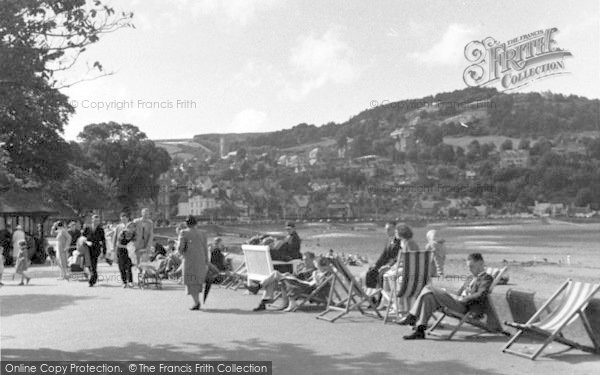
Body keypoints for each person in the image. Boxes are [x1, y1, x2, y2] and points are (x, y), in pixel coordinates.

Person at [398, 253, 494, 340]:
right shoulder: (470, 278)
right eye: (468, 267)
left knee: (428, 287)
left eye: (472, 267)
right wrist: (451, 294)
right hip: (456, 301)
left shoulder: (486, 278)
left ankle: (412, 316)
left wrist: (462, 299)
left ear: (481, 263)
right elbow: (460, 292)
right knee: (429, 297)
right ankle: (420, 331)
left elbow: (481, 294)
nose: (470, 269)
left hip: (465, 307)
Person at [248, 252, 317, 311]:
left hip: (298, 285)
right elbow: (295, 275)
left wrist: (292, 276)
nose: (304, 261)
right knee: (273, 280)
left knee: (275, 273)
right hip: (290, 281)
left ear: (312, 259)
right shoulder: (302, 267)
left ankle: (258, 289)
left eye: (306, 259)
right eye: (303, 259)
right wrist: (290, 274)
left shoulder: (314, 270)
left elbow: (306, 282)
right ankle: (263, 301)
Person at [178, 215, 209, 310]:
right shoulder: (203, 233)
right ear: (196, 223)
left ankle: (196, 302)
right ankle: (197, 301)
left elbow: (180, 248)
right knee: (197, 280)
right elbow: (205, 248)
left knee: (190, 281)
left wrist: (181, 253)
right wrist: (206, 260)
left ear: (187, 224)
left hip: (189, 260)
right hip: (201, 260)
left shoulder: (184, 233)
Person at [364, 221, 401, 289]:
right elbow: (383, 255)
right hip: (385, 264)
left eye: (389, 229)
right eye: (386, 229)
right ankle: (373, 294)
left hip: (392, 265)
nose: (387, 231)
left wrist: (388, 266)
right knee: (370, 272)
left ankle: (379, 294)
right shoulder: (389, 240)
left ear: (395, 229)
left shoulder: (399, 242)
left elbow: (398, 257)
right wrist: (376, 264)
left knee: (380, 274)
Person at [82, 214, 108, 287]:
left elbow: (103, 241)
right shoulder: (87, 228)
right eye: (95, 220)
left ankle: (92, 281)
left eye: (98, 220)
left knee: (93, 265)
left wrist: (104, 252)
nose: (96, 222)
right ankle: (94, 276)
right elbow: (82, 238)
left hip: (96, 249)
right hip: (87, 249)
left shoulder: (101, 229)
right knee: (87, 265)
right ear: (92, 220)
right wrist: (86, 242)